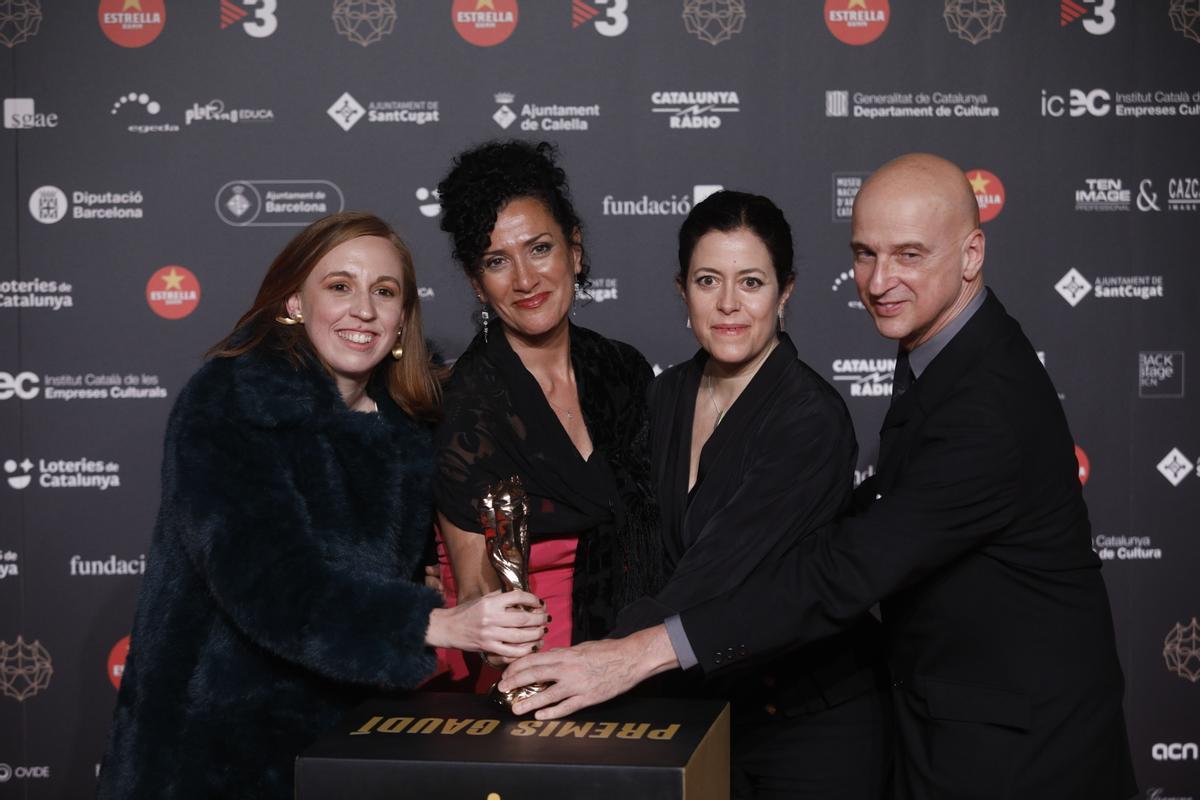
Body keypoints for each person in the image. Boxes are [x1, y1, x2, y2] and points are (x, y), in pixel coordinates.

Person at [500, 154, 1137, 799]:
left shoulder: (983, 403)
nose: (880, 280)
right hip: (948, 719)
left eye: (909, 255)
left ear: (971, 254)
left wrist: (633, 655)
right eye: (865, 254)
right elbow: (873, 517)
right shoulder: (951, 355)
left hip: (1019, 745)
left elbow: (844, 570)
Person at [97, 212, 547, 800]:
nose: (363, 309)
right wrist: (433, 622)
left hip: (352, 746)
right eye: (340, 286)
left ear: (402, 317)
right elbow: (269, 586)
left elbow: (365, 566)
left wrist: (425, 589)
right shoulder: (233, 400)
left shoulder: (408, 422)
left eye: (384, 292)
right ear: (293, 302)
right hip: (213, 752)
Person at [609, 190, 891, 797]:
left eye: (752, 282)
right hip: (703, 718)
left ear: (785, 291)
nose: (729, 304)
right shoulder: (662, 400)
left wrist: (603, 662)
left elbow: (717, 576)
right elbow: (638, 552)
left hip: (811, 727)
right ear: (682, 288)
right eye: (709, 280)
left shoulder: (809, 418)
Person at [432, 140, 662, 686]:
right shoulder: (470, 404)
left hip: (642, 659)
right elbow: (477, 587)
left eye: (539, 249)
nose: (525, 279)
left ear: (574, 252)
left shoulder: (623, 369)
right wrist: (504, 646)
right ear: (476, 282)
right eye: (496, 261)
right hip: (534, 676)